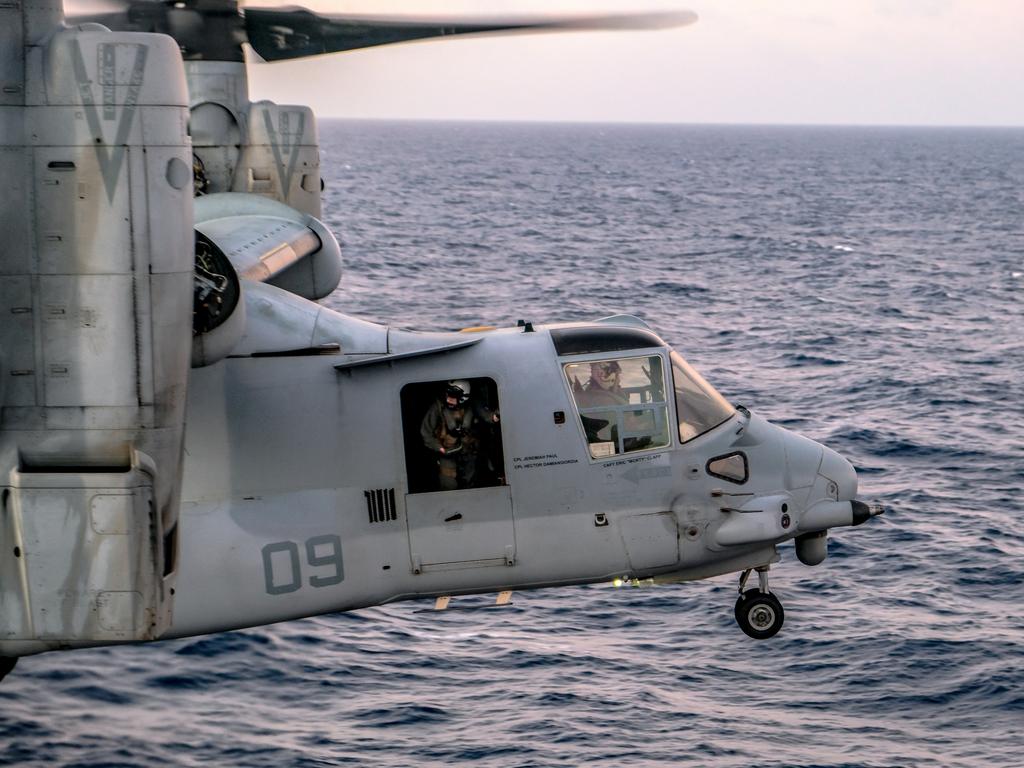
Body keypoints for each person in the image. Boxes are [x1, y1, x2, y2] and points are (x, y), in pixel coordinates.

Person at [420, 380, 499, 491]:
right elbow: (426, 432)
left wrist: (496, 415)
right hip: (447, 453)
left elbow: (488, 417)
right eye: (448, 395)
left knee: (470, 484)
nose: (448, 400)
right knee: (448, 485)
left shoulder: (473, 405)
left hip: (469, 452)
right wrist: (439, 448)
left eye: (453, 396)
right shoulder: (438, 407)